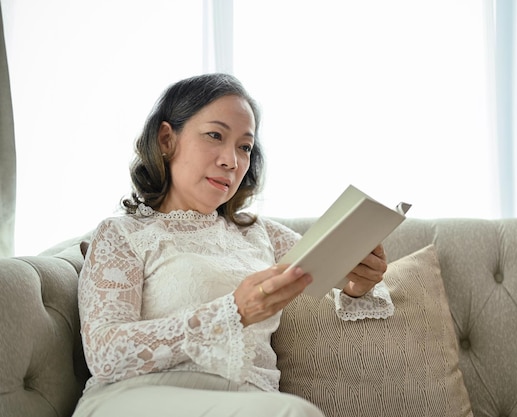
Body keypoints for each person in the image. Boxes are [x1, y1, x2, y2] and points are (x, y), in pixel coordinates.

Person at [72, 73, 395, 417]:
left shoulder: (261, 234)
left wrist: (359, 282)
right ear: (167, 139)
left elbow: (335, 276)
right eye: (215, 135)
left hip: (251, 401)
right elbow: (104, 354)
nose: (232, 161)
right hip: (139, 398)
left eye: (244, 147)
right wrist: (232, 312)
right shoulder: (122, 234)